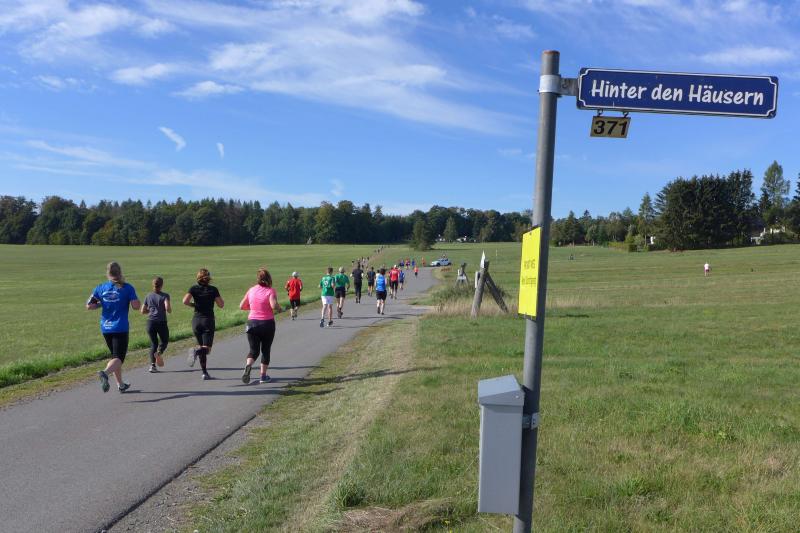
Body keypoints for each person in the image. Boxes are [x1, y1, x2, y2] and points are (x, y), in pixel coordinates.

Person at [87, 261, 140, 393]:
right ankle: (104, 373)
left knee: (115, 357)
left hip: (106, 327)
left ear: (108, 273)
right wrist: (133, 300)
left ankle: (121, 385)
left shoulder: (100, 288)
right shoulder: (127, 287)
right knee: (119, 358)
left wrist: (102, 303)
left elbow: (89, 305)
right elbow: (136, 306)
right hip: (120, 327)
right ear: (120, 272)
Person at [240, 268, 281, 384]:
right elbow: (273, 305)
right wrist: (279, 308)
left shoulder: (251, 290)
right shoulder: (270, 291)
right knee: (265, 350)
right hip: (267, 324)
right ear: (269, 279)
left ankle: (248, 365)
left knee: (253, 351)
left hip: (252, 323)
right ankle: (263, 376)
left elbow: (241, 306)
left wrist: (253, 307)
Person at [183, 268, 224, 380]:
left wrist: (194, 305)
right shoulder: (213, 289)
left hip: (196, 321)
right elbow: (221, 305)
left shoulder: (193, 288)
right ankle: (195, 351)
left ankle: (204, 373)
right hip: (208, 321)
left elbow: (185, 301)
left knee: (202, 347)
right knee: (207, 349)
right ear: (209, 278)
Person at [141, 276, 171, 373]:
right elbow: (168, 308)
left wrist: (150, 311)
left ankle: (152, 366)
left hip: (150, 322)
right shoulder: (165, 295)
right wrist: (167, 309)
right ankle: (159, 352)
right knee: (164, 341)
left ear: (152, 285)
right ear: (162, 285)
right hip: (161, 322)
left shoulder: (148, 296)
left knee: (153, 343)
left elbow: (142, 311)